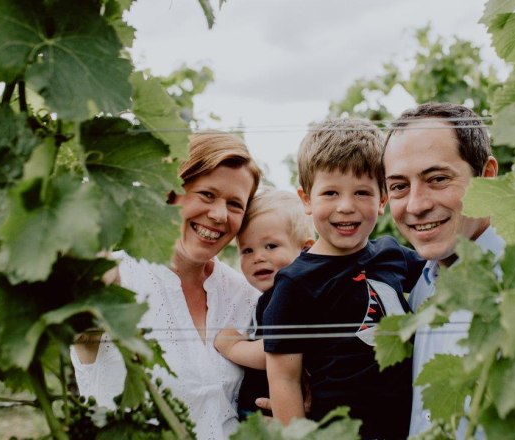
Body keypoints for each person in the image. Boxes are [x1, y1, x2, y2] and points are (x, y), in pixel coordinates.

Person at [382, 102, 515, 436]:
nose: (416, 204)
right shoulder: (424, 286)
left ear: (487, 175)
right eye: (399, 186)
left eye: (438, 179)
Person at [70, 131, 263, 440]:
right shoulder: (113, 278)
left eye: (235, 204)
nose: (218, 215)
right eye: (207, 195)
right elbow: (79, 317)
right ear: (170, 192)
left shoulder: (247, 296)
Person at [262, 118, 426, 439]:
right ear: (307, 199)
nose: (346, 207)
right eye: (331, 192)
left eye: (362, 192)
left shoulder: (393, 255)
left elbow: (443, 271)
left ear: (382, 200)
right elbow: (284, 379)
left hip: (407, 428)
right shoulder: (295, 284)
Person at [214, 189, 315, 420]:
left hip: (278, 413)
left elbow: (279, 349)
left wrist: (234, 347)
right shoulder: (271, 295)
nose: (258, 257)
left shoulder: (291, 292)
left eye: (271, 246)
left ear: (305, 249)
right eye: (247, 250)